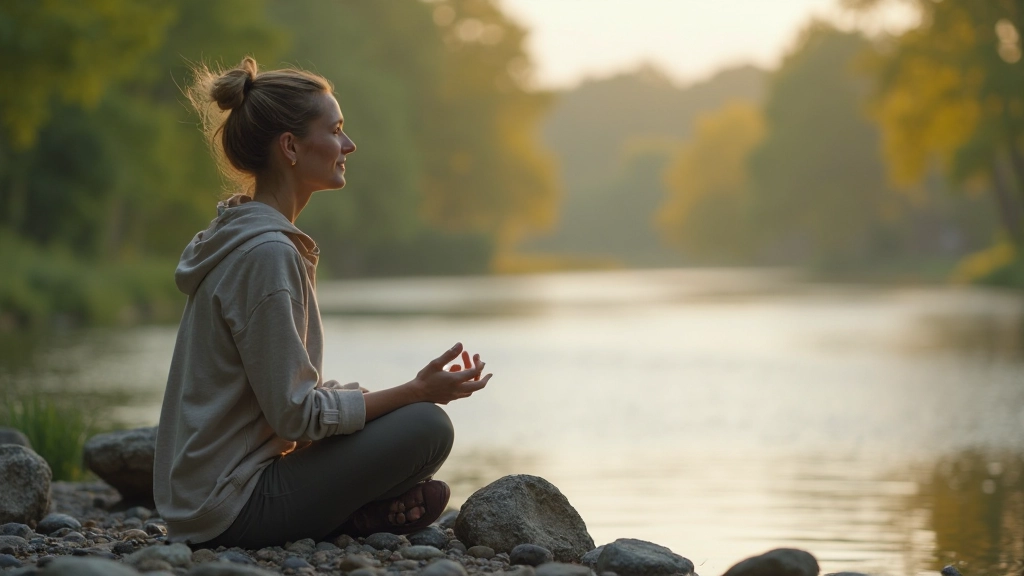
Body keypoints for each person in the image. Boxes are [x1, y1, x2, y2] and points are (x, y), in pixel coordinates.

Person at [153, 56, 492, 550]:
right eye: (335, 130)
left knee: (398, 419)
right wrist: (415, 392)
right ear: (290, 146)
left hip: (209, 497)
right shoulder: (267, 254)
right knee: (426, 427)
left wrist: (386, 400)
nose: (348, 145)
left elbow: (283, 396)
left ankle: (354, 516)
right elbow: (297, 416)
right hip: (228, 509)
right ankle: (352, 518)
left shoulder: (243, 237)